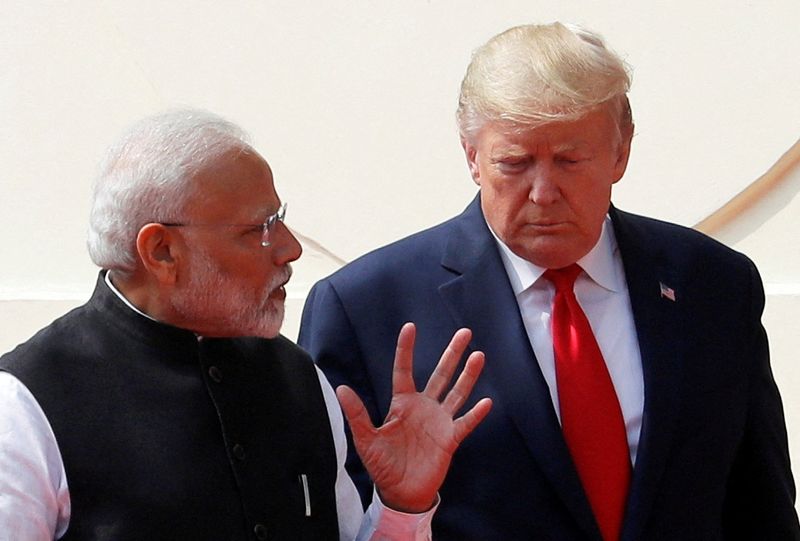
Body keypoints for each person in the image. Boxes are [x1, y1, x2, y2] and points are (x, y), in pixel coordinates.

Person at [298, 22, 800, 540]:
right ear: (472, 157)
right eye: (514, 164)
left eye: (569, 160)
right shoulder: (366, 309)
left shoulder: (712, 284)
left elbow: (761, 506)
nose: (542, 193)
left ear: (620, 151)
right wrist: (404, 505)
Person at [0, 109, 492, 540]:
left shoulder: (298, 377)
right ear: (162, 251)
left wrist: (402, 507)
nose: (290, 248)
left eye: (279, 219)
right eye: (258, 229)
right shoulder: (25, 407)